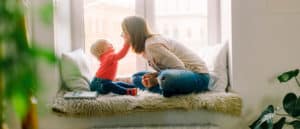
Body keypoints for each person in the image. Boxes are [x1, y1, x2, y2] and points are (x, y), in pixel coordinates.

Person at [121, 16, 210, 97]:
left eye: (124, 32)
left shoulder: (152, 45)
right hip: (182, 74)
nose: (122, 35)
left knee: (166, 77)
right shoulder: (147, 47)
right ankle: (167, 90)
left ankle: (166, 90)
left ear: (133, 33)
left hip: (199, 77)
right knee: (136, 77)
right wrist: (156, 75)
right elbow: (172, 69)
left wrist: (156, 79)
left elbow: (180, 68)